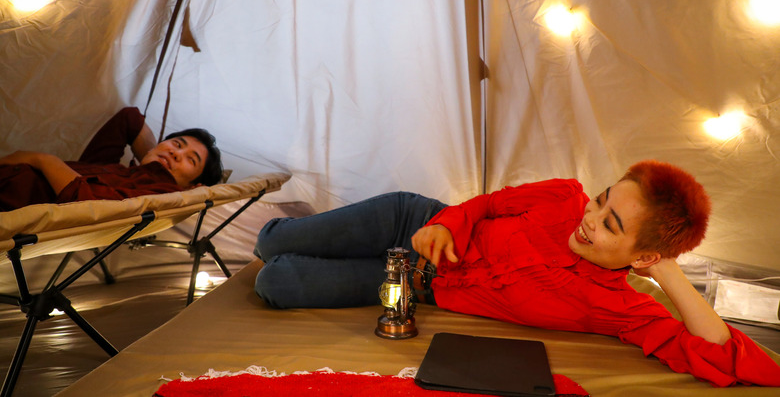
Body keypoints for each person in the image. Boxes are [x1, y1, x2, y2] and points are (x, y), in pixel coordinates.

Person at [252, 160, 780, 387]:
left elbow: (726, 355)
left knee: (274, 283)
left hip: (416, 286)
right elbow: (485, 204)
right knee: (268, 241)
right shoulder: (561, 197)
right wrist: (446, 222)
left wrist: (667, 270)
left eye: (610, 225)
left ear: (643, 258)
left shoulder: (622, 309)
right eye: (600, 201)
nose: (588, 219)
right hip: (414, 219)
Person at [0, 107, 223, 211]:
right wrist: (153, 157)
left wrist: (42, 159)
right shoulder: (119, 171)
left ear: (194, 185)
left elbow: (85, 201)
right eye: (176, 144)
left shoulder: (158, 195)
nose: (176, 152)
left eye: (190, 160)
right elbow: (129, 119)